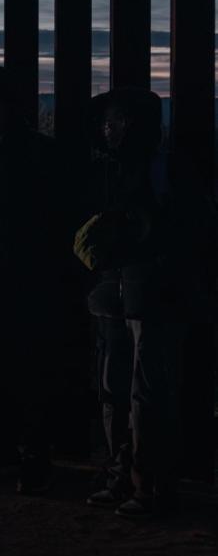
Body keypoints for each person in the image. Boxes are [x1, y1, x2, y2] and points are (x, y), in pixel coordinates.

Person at [76, 88, 217, 517]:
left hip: (147, 298)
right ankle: (129, 477)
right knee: (119, 392)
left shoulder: (162, 171)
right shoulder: (119, 170)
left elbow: (192, 230)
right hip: (119, 298)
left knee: (141, 394)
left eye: (116, 121)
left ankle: (148, 485)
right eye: (106, 121)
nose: (108, 128)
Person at [0, 67, 67, 494]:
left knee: (28, 370)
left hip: (26, 284)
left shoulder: (27, 155)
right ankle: (9, 447)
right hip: (2, 281)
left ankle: (32, 456)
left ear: (1, 106)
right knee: (2, 367)